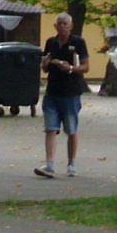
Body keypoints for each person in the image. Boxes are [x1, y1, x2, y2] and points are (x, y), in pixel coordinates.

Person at [36, 12, 89, 178]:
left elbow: (86, 67)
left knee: (71, 129)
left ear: (71, 26)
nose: (62, 26)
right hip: (52, 91)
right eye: (59, 24)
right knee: (50, 129)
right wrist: (45, 64)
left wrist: (71, 68)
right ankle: (49, 164)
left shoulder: (78, 42)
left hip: (71, 92)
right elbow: (46, 67)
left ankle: (71, 163)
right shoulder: (51, 42)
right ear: (55, 26)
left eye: (65, 24)